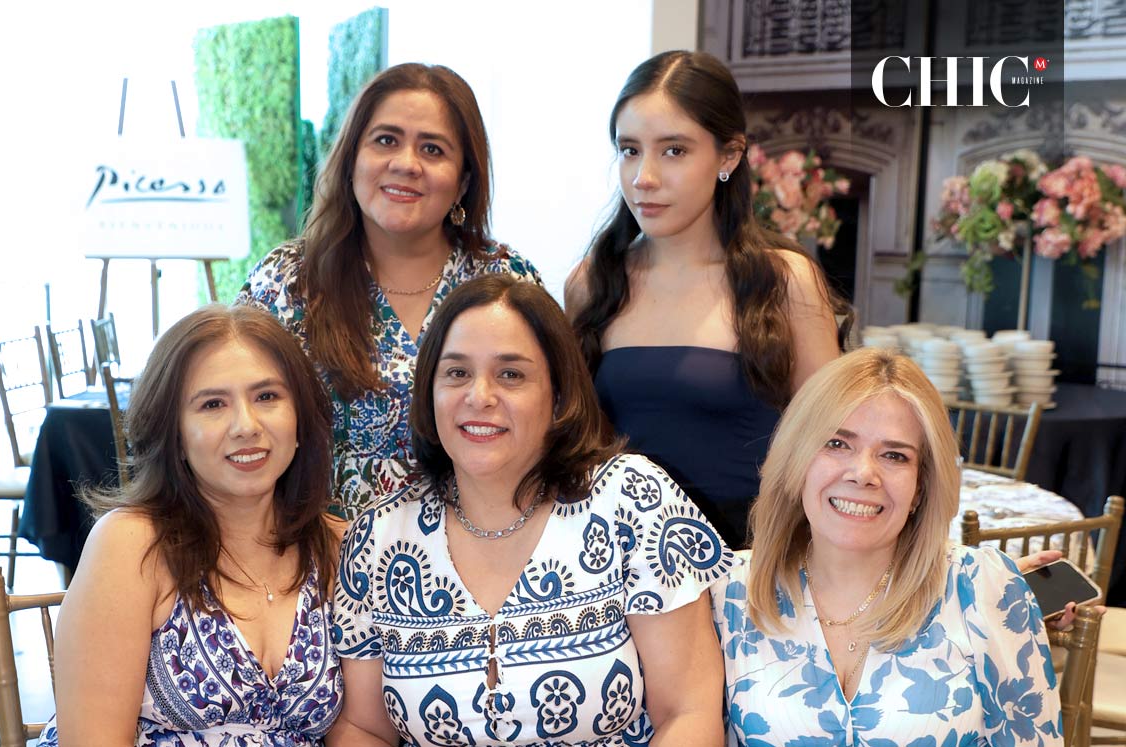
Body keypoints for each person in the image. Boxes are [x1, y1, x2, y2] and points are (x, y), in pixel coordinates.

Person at [329, 275, 731, 746]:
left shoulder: (631, 500)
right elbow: (363, 728)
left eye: (511, 374)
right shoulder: (379, 537)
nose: (479, 396)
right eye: (456, 373)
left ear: (558, 396)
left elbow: (689, 712)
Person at [565, 50, 848, 549]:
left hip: (751, 565)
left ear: (729, 156)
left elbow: (833, 444)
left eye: (673, 150)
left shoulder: (785, 281)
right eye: (630, 150)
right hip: (621, 564)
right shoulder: (593, 282)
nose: (643, 177)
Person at [238, 62, 542, 520]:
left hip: (481, 554)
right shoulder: (285, 282)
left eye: (433, 149)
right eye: (385, 140)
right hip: (317, 554)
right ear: (351, 159)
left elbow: (551, 421)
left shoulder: (506, 279)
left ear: (463, 180)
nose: (406, 164)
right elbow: (234, 419)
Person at [714, 348, 1062, 744]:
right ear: (797, 461)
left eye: (894, 455)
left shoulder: (981, 587)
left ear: (920, 488)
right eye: (837, 444)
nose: (864, 473)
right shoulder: (730, 593)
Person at [39, 305, 346, 746]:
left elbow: (359, 729)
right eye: (213, 404)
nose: (247, 426)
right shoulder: (130, 545)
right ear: (174, 433)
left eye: (267, 397)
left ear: (299, 419)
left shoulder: (337, 546)